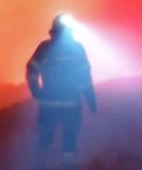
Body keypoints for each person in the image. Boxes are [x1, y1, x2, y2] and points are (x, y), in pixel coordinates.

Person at [25, 14, 97, 168]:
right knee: (69, 138)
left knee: (45, 137)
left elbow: (32, 69)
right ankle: (68, 165)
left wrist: (36, 90)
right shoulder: (77, 49)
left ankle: (39, 165)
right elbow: (85, 77)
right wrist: (91, 100)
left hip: (48, 103)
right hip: (71, 103)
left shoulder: (44, 48)